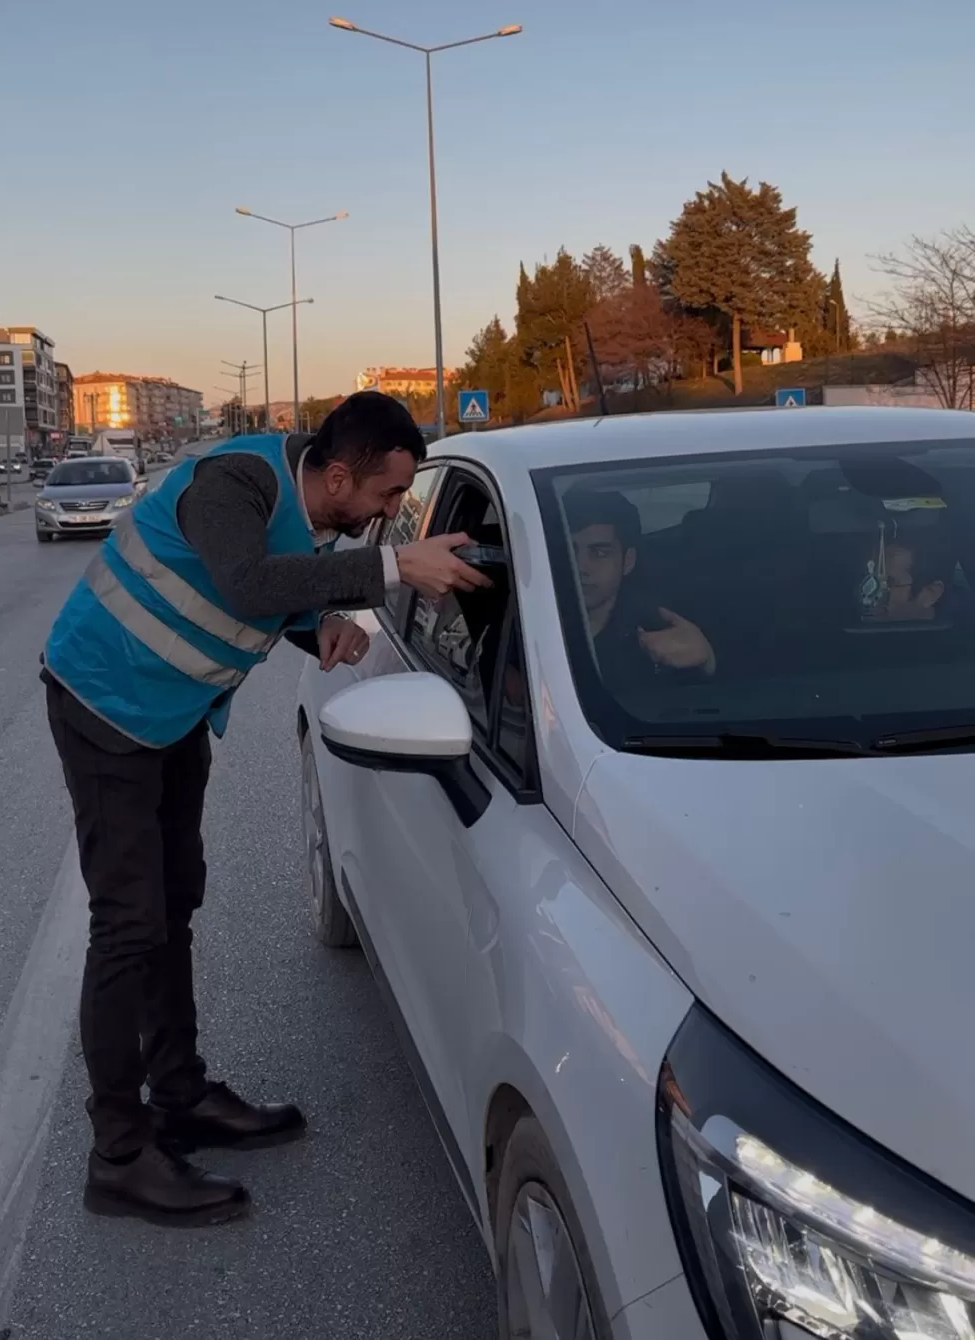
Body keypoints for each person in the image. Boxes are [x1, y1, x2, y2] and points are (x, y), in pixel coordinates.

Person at [41, 391, 490, 1228]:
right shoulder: (237, 481)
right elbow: (244, 580)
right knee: (130, 924)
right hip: (104, 704)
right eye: (389, 497)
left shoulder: (318, 513)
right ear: (341, 475)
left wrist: (315, 624)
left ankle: (178, 1096)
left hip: (170, 712)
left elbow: (264, 596)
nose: (392, 514)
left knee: (174, 905)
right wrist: (395, 568)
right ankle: (119, 1154)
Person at [564, 488, 715, 688]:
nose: (580, 567)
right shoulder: (523, 617)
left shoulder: (661, 628)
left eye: (599, 553)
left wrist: (707, 662)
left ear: (628, 561)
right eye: (568, 550)